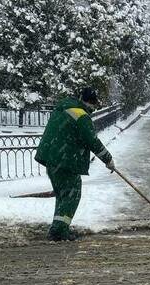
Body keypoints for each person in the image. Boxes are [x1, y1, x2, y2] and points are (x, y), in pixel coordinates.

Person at [35, 87, 116, 241]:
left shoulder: (64, 107)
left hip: (52, 159)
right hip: (66, 161)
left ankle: (58, 227)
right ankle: (59, 231)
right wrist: (108, 160)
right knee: (72, 195)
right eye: (94, 105)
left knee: (63, 195)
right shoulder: (81, 116)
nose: (94, 109)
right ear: (90, 103)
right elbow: (92, 141)